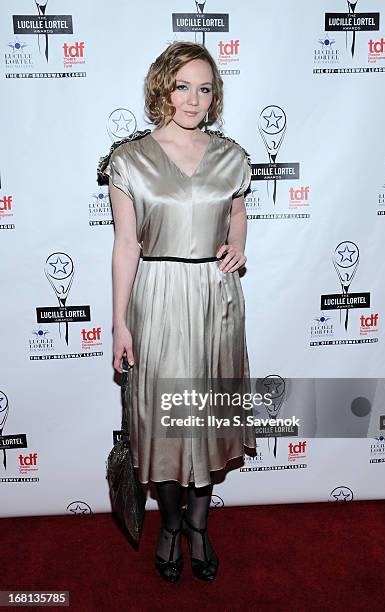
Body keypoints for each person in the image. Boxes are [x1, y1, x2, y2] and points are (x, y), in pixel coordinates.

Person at [98, 40, 256, 583]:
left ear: (215, 96)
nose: (194, 99)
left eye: (205, 88)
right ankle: (169, 524)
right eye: (183, 86)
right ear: (163, 87)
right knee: (165, 422)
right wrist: (119, 322)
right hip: (157, 294)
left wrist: (237, 245)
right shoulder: (130, 159)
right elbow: (125, 246)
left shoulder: (232, 155)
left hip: (215, 298)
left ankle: (199, 524)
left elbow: (236, 213)